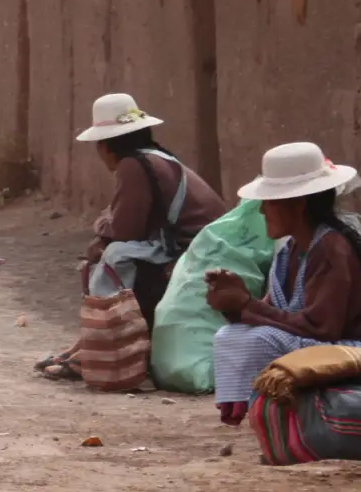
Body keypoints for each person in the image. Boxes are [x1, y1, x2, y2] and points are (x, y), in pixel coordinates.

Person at [206, 142, 361, 425]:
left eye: (270, 202)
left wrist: (245, 304)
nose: (262, 212)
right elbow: (275, 315)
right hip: (329, 340)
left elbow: (321, 328)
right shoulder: (290, 251)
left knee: (257, 341)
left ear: (299, 204)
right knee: (230, 335)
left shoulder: (334, 250)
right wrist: (234, 304)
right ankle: (256, 411)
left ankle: (279, 413)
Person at [37, 93, 228, 380]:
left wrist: (101, 228)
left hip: (189, 250)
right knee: (108, 250)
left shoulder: (134, 165)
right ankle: (84, 347)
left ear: (105, 146)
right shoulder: (156, 158)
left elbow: (125, 228)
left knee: (111, 256)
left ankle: (99, 349)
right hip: (197, 245)